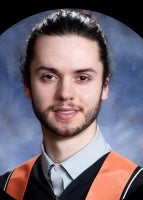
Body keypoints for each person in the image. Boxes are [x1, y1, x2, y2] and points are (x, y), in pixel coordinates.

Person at [0, 8, 143, 200]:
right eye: (49, 76)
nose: (65, 94)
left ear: (105, 86)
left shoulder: (134, 186)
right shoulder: (7, 187)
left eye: (82, 77)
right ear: (27, 84)